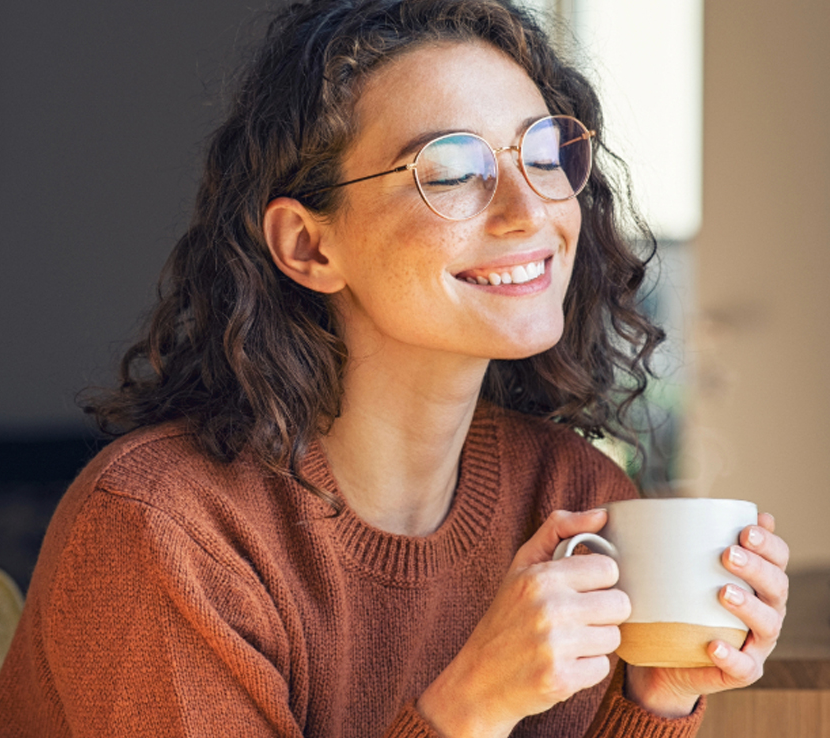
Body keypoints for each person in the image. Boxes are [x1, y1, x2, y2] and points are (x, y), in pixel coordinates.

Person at [0, 0, 789, 736]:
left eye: (543, 153)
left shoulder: (573, 497)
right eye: (450, 172)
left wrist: (655, 697)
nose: (530, 211)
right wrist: (468, 706)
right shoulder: (165, 532)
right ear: (310, 247)